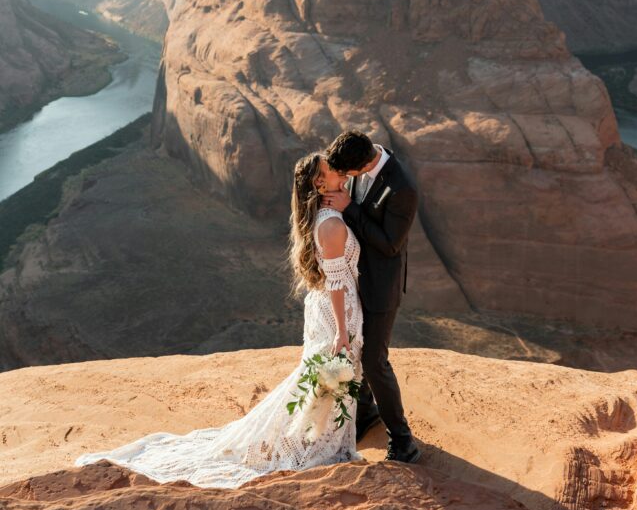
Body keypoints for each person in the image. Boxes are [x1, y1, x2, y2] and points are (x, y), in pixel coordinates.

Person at [74, 152, 364, 489]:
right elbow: (337, 282)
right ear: (319, 182)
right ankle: (314, 446)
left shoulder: (325, 217)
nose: (341, 173)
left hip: (326, 310)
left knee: (325, 379)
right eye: (333, 170)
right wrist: (343, 331)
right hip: (336, 315)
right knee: (330, 378)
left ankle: (318, 440)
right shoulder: (330, 224)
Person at [324, 129, 421, 464]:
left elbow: (390, 243)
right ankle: (365, 414)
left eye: (346, 175)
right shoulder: (361, 159)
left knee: (374, 362)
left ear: (361, 166)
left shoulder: (402, 187)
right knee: (356, 349)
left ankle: (403, 441)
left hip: (380, 286)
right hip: (353, 280)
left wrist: (349, 208)